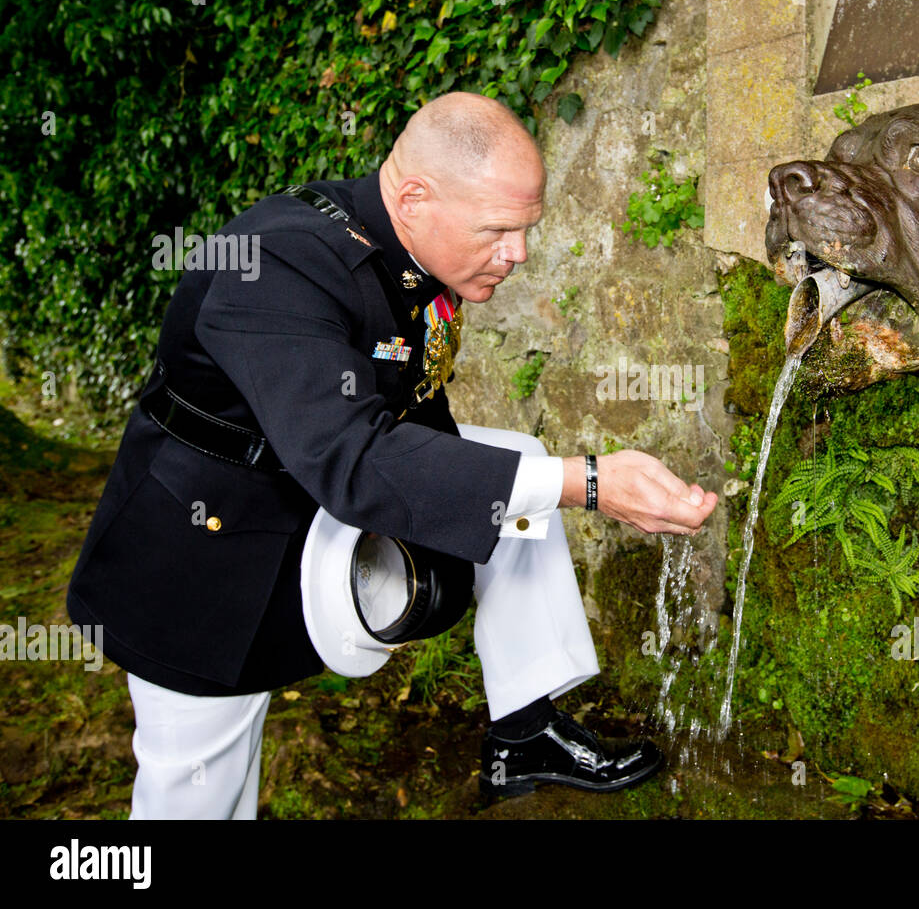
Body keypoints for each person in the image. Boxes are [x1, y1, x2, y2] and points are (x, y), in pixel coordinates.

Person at [66, 91, 718, 818]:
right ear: (414, 196)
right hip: (205, 548)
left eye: (526, 229)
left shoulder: (409, 250)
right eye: (499, 230)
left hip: (312, 495)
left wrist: (529, 490)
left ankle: (523, 734)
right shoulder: (273, 267)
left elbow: (411, 405)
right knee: (201, 785)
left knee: (518, 462)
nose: (520, 254)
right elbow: (353, 455)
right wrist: (587, 483)